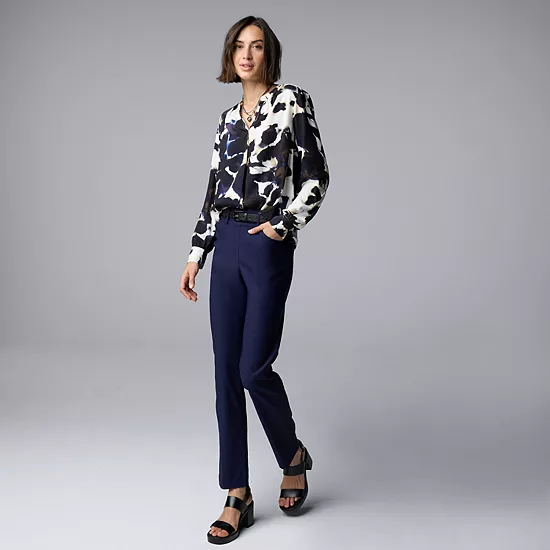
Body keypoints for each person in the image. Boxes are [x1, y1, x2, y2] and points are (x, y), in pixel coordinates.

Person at [179, 15, 329, 544]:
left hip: (266, 242)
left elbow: (316, 177)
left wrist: (283, 225)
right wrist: (197, 253)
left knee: (253, 368)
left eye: (257, 46)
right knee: (225, 371)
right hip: (226, 243)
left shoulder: (292, 102)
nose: (247, 54)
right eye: (239, 46)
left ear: (270, 54)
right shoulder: (225, 120)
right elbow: (212, 190)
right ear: (230, 56)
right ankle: (236, 493)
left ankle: (291, 454)